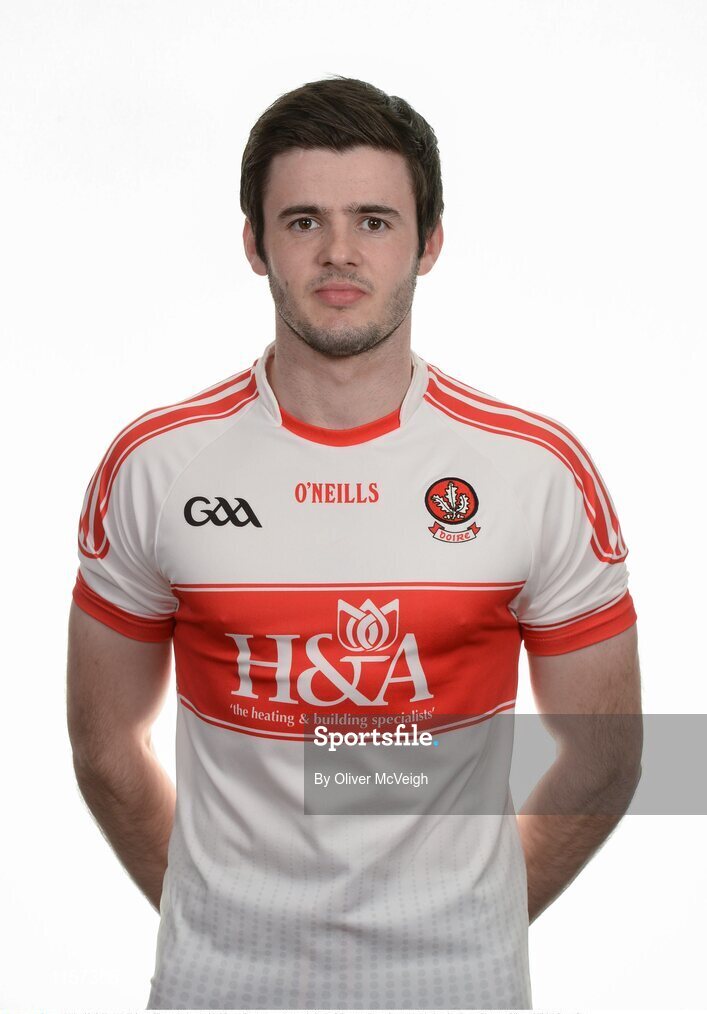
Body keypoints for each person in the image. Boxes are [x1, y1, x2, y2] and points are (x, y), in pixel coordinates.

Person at [66, 75, 642, 1010]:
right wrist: (216, 918)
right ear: (255, 244)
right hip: (219, 986)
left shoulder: (534, 470)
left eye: (374, 220)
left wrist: (475, 915)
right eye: (302, 222)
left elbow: (607, 753)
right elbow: (105, 744)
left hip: (460, 985)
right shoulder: (156, 466)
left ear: (431, 241)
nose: (339, 253)